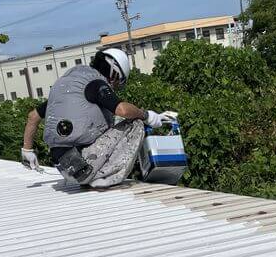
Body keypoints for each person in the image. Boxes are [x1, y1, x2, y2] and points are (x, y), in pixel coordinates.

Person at [20, 48, 177, 188]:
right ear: (114, 73)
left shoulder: (70, 87)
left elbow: (32, 116)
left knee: (112, 121)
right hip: (84, 166)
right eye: (119, 82)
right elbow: (122, 110)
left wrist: (27, 150)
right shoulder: (96, 84)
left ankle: (95, 176)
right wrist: (147, 115)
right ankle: (107, 179)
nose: (116, 87)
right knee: (134, 123)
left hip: (65, 168)